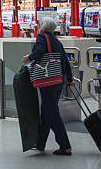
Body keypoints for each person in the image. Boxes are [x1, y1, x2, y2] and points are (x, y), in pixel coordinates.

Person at [22, 17, 74, 155]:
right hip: (58, 79)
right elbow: (64, 60)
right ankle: (40, 143)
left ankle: (65, 146)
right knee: (47, 111)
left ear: (42, 26)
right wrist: (69, 78)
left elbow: (39, 52)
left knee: (52, 113)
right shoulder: (56, 40)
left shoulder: (42, 37)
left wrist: (29, 57)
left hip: (47, 80)